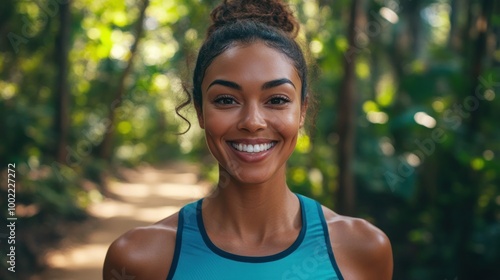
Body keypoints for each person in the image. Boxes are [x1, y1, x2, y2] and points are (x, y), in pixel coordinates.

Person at [103, 0, 393, 279]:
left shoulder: (362, 250)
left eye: (277, 99)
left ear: (302, 111)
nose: (253, 122)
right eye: (227, 100)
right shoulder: (139, 260)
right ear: (200, 112)